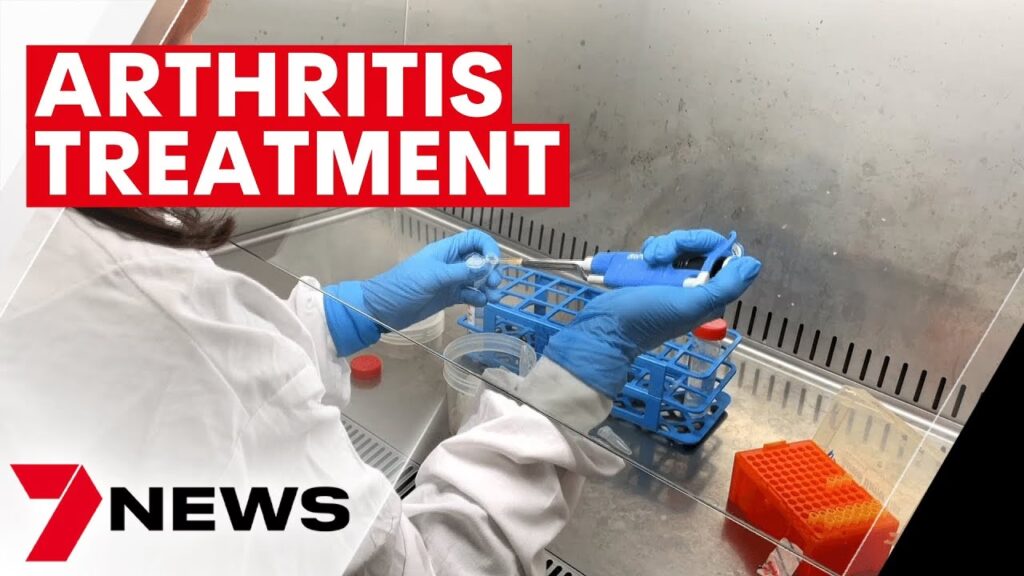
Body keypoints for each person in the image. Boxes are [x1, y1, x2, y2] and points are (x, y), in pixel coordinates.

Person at [0, 4, 761, 574]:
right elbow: (426, 566)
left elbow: (201, 374)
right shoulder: (152, 310)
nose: (195, 19)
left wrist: (342, 316)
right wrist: (570, 383)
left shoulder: (45, 220)